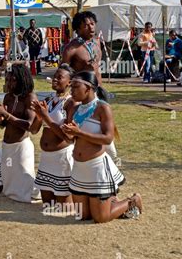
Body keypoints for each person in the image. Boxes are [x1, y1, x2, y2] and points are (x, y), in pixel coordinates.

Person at [61, 71, 142, 223]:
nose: (71, 91)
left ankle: (132, 201)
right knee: (82, 216)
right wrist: (67, 132)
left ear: (89, 88)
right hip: (79, 168)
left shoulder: (103, 108)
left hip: (96, 168)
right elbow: (70, 139)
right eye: (71, 87)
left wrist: (79, 132)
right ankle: (107, 203)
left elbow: (107, 138)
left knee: (101, 218)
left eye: (75, 87)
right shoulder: (74, 109)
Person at [0, 63, 41, 203]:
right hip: (7, 145)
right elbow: (4, 125)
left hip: (21, 146)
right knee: (8, 175)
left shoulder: (30, 98)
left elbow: (29, 125)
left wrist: (6, 115)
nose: (9, 83)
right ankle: (11, 194)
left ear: (22, 79)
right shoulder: (8, 97)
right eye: (7, 80)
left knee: (25, 177)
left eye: (12, 80)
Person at [30, 64, 77, 207]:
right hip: (46, 159)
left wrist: (46, 117)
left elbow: (68, 137)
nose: (54, 80)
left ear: (69, 82)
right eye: (54, 77)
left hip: (62, 157)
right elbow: (33, 130)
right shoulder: (49, 100)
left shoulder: (71, 103)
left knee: (64, 208)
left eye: (59, 77)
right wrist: (39, 116)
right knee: (48, 205)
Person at [62, 11, 102, 86]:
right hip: (80, 91)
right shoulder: (71, 48)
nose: (91, 27)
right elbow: (62, 73)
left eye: (92, 24)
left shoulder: (97, 43)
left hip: (97, 90)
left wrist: (101, 90)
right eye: (86, 25)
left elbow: (98, 70)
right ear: (78, 29)